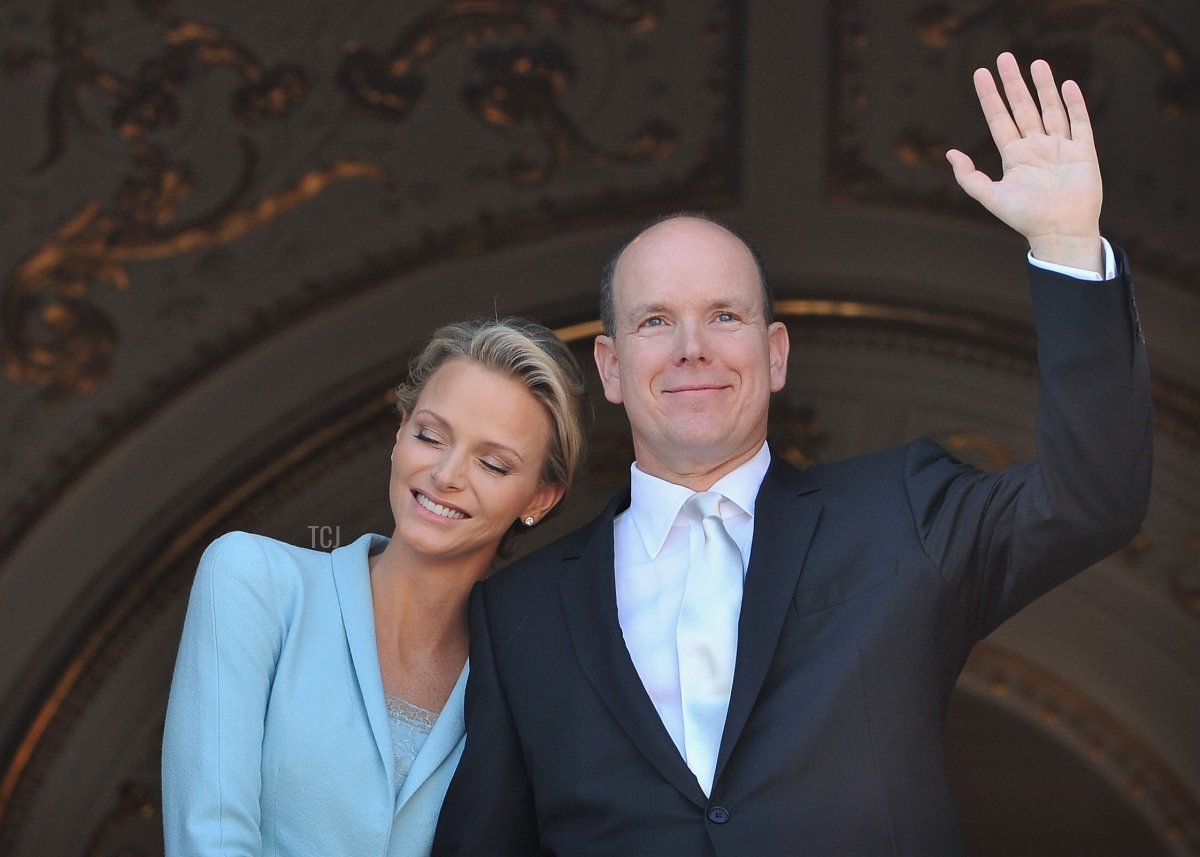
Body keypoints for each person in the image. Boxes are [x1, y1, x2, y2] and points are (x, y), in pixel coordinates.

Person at [432, 53, 1153, 855]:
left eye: (726, 317)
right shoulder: (517, 611)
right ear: (609, 367)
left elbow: (1094, 498)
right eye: (654, 322)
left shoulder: (900, 513)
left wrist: (1065, 243)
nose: (692, 349)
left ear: (776, 354)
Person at [161, 318, 588, 857]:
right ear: (399, 431)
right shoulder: (254, 580)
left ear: (539, 500)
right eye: (430, 436)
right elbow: (209, 838)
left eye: (493, 464)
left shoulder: (525, 679)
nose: (446, 474)